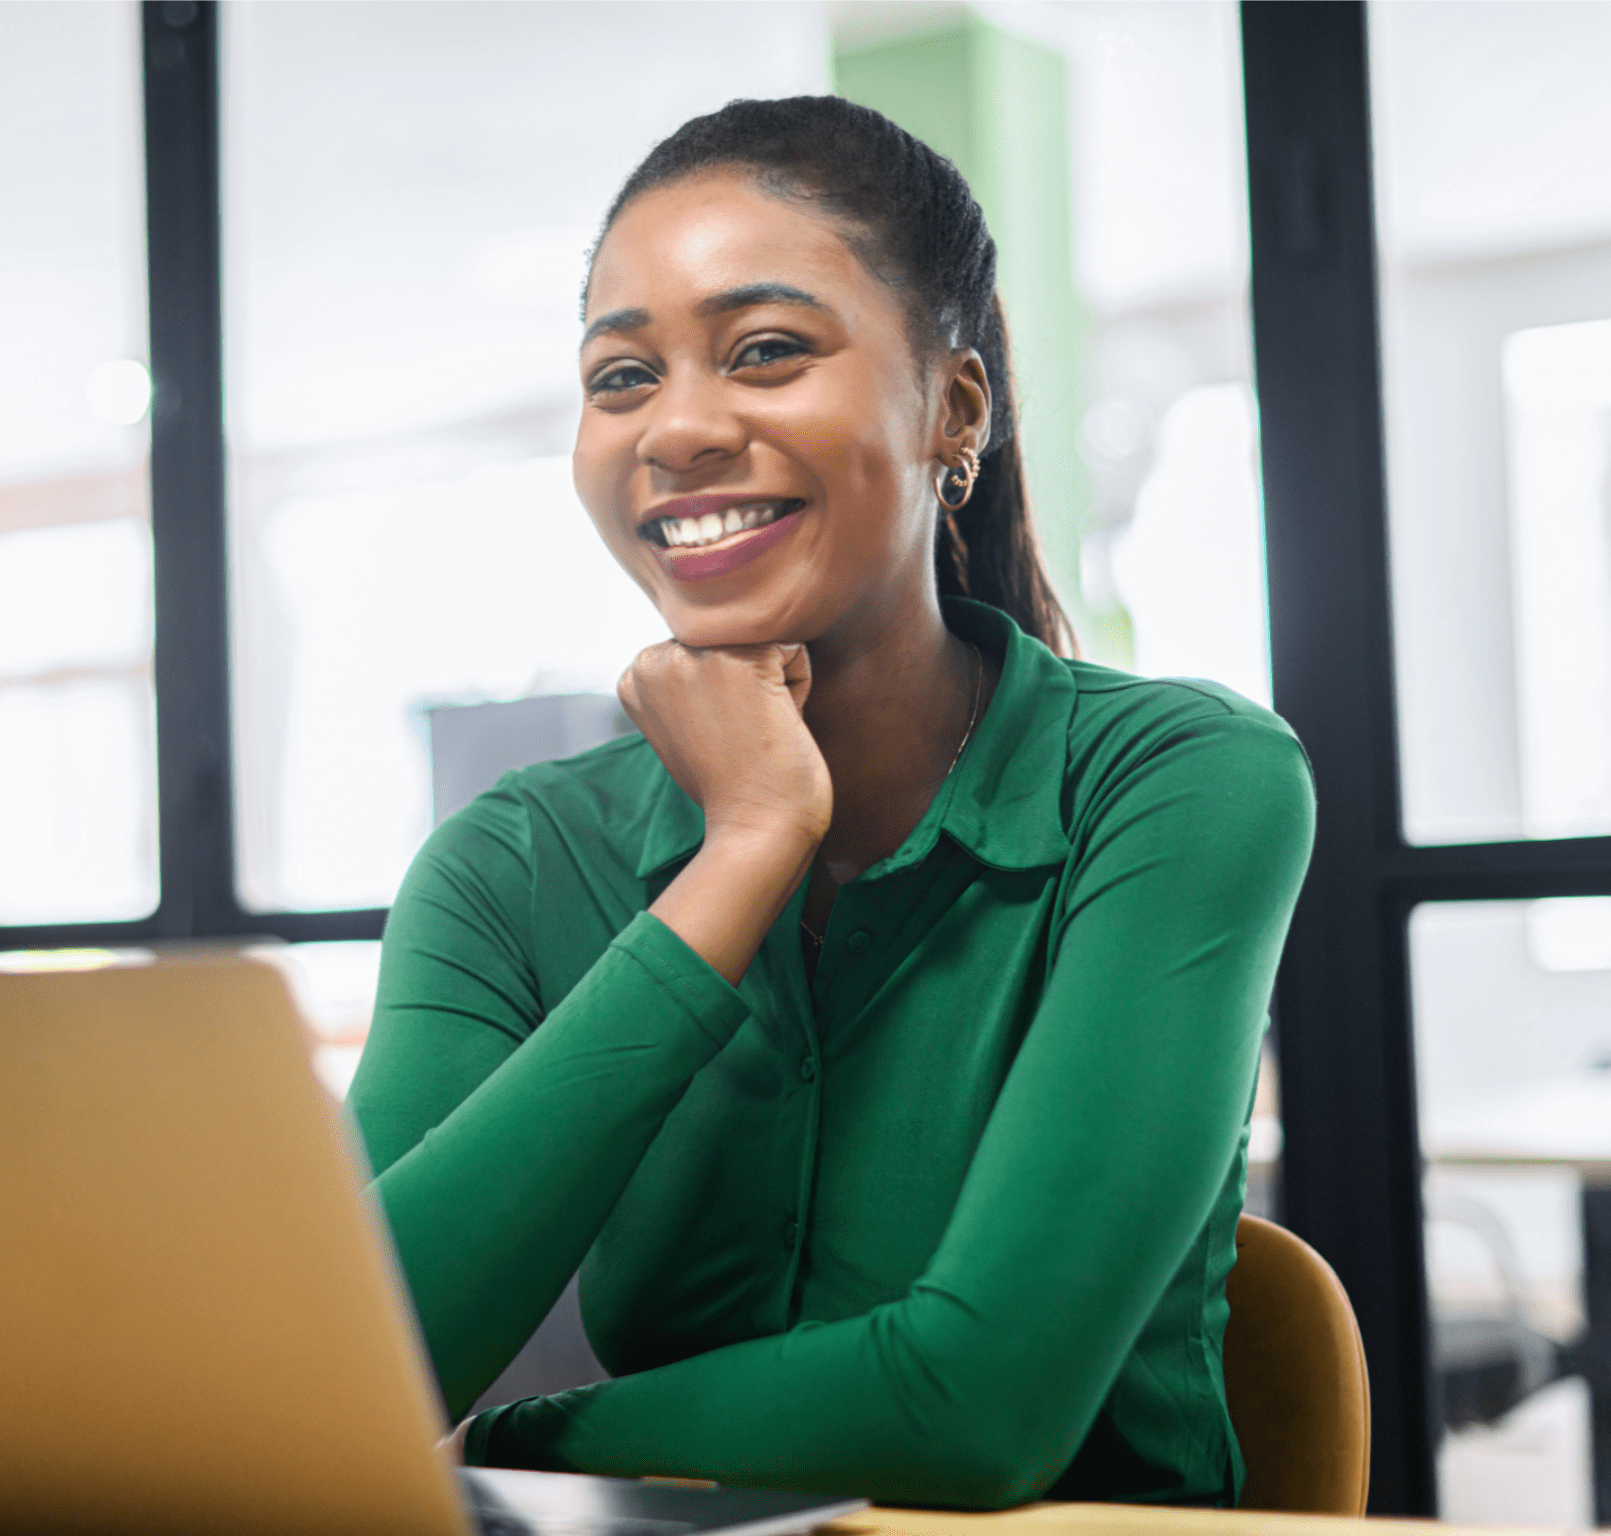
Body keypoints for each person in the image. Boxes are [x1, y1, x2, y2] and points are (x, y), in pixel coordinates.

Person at [346, 96, 1314, 1510]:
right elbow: (363, 1362)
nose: (676, 429)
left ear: (953, 411)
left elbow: (977, 1411)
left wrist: (506, 1450)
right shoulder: (508, 867)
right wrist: (739, 859)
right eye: (621, 378)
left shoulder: (1177, 783)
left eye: (767, 352)